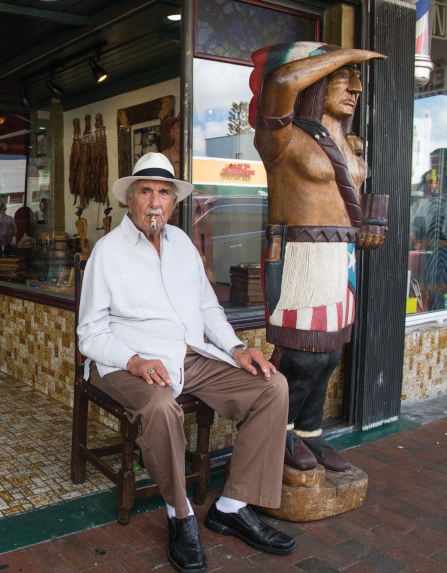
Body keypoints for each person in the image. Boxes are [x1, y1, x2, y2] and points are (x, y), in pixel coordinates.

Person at [78, 152, 294, 573]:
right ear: (131, 199)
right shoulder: (107, 251)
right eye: (146, 191)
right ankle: (181, 515)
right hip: (126, 360)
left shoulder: (183, 246)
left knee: (272, 386)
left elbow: (208, 308)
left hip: (191, 355)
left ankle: (231, 507)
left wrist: (235, 349)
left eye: (164, 193)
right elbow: (90, 334)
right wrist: (134, 360)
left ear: (173, 203)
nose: (155, 202)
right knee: (160, 407)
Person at [250, 43, 387, 472]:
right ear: (315, 77)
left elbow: (351, 199)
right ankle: (281, 430)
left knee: (329, 353)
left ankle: (310, 431)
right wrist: (342, 54)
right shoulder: (282, 137)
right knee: (301, 353)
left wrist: (370, 225)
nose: (356, 87)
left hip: (338, 256)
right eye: (343, 77)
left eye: (356, 77)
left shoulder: (347, 142)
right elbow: (279, 82)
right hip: (301, 255)